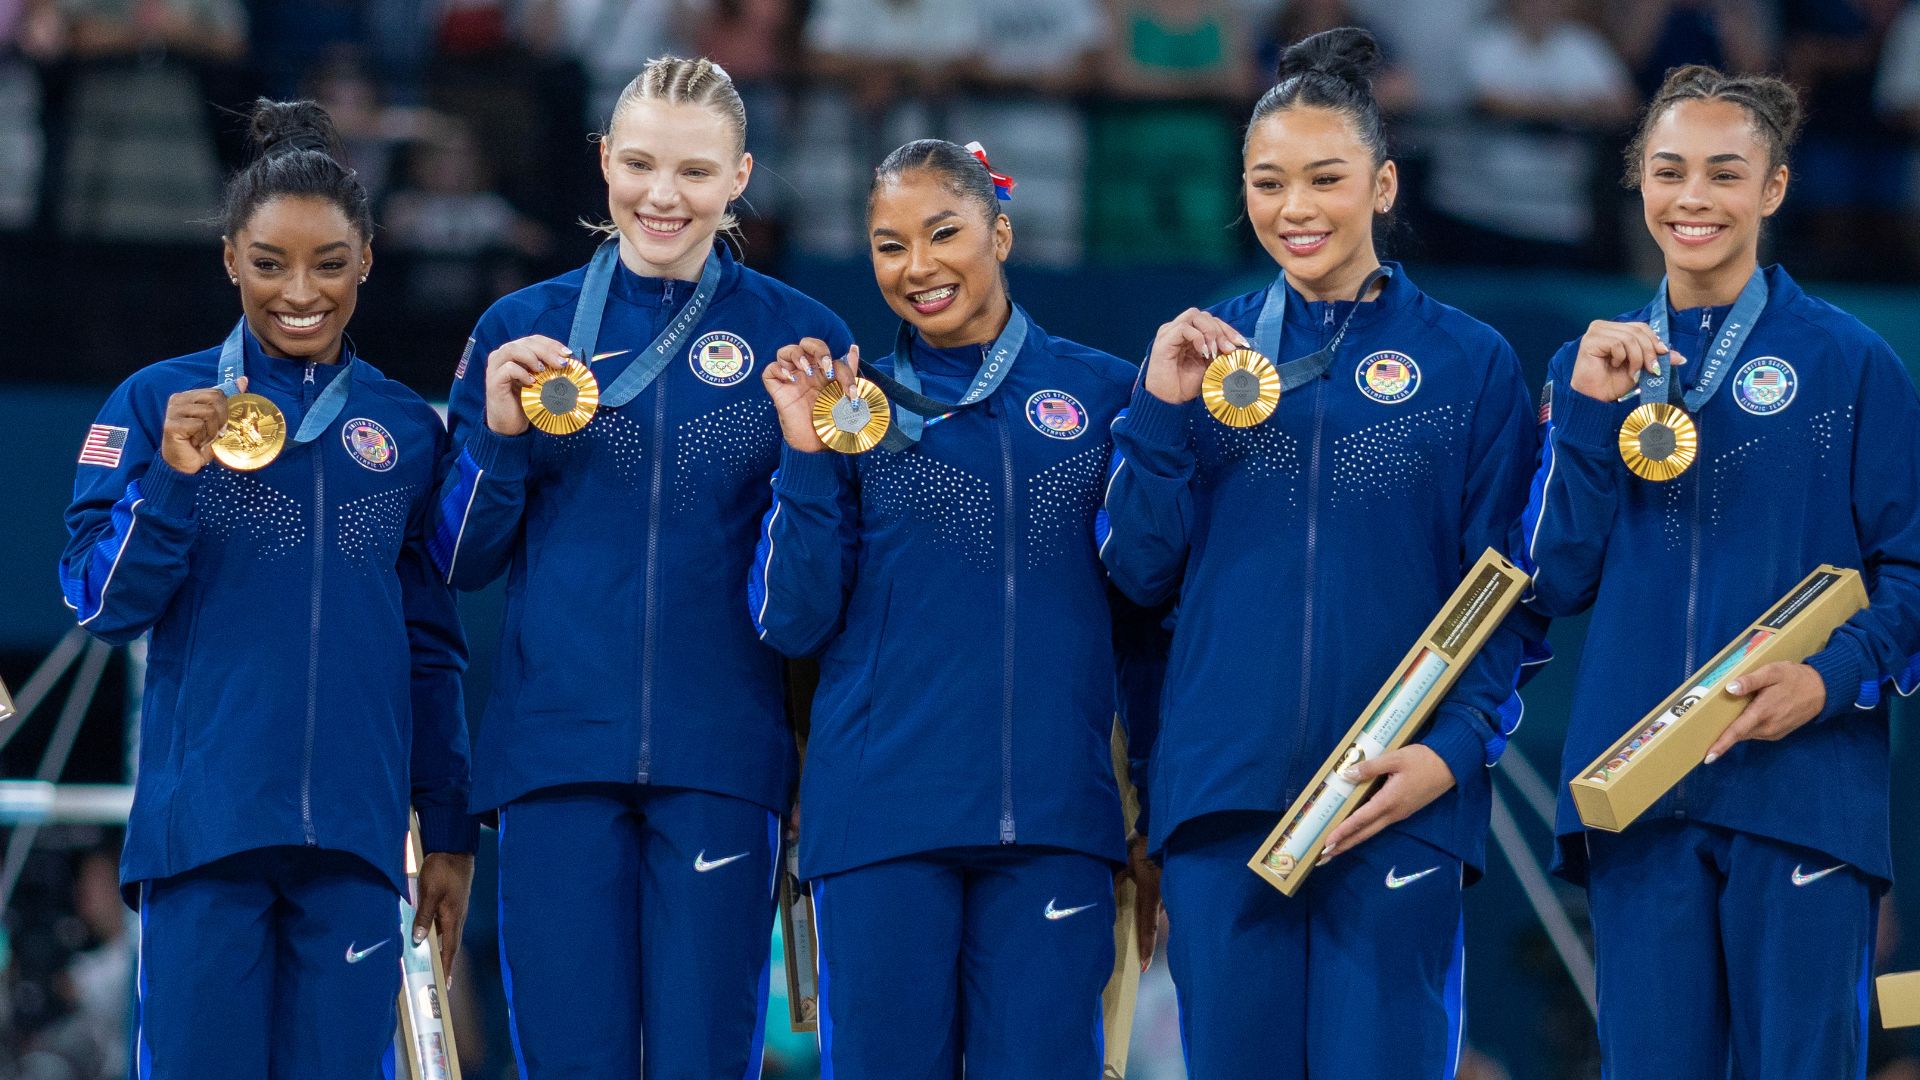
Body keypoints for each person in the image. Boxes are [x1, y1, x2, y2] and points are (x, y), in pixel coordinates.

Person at [1098, 28, 1539, 1077]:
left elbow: (1506, 598)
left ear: (1383, 185)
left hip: (1399, 796)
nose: (1294, 207)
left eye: (1326, 178)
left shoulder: (1471, 364)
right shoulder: (1197, 358)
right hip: (1224, 806)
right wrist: (1157, 410)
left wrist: (1451, 751)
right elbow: (1137, 574)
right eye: (1267, 181)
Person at [429, 56, 852, 1079]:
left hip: (722, 755)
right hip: (555, 758)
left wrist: (805, 452)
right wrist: (491, 437)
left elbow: (808, 608)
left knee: (705, 1064)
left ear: (741, 175)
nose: (664, 196)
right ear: (604, 159)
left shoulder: (804, 339)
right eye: (643, 165)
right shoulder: (515, 329)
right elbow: (460, 557)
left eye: (697, 173)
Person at [57, 98, 475, 1078]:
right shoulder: (157, 402)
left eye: (329, 263)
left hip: (358, 844)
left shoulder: (407, 429)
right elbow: (103, 605)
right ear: (229, 257)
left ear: (367, 258)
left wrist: (449, 828)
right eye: (270, 262)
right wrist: (170, 476)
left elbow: (430, 644)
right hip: (204, 836)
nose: (301, 292)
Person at [1520, 64, 1920, 1079]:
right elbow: (1555, 577)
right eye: (1669, 171)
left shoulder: (1849, 363)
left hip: (1801, 788)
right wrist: (1589, 420)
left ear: (1773, 189)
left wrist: (1828, 678)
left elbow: (1913, 571)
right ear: (1638, 183)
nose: (1693, 196)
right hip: (1638, 796)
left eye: (1724, 173)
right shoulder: (1592, 364)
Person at [750, 138, 1147, 1078]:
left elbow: (1149, 615)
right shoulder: (851, 406)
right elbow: (793, 620)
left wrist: (1152, 806)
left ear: (1000, 231)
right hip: (882, 826)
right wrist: (806, 451)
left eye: (943, 234)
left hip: (1052, 824)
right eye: (889, 246)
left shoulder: (1102, 394)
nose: (917, 268)